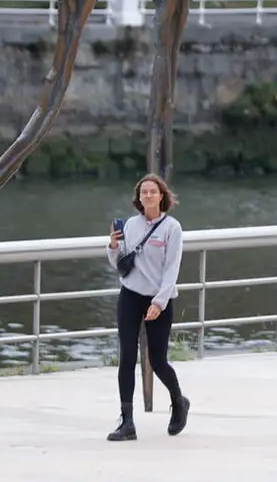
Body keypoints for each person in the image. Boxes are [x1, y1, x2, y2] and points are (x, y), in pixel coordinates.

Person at [104, 174, 188, 441]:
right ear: (138, 198)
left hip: (158, 299)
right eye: (144, 192)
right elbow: (120, 262)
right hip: (130, 294)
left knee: (158, 359)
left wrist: (159, 302)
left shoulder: (172, 228)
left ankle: (179, 401)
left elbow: (171, 268)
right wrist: (113, 245)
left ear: (162, 196)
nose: (148, 196)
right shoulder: (130, 224)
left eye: (153, 191)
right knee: (127, 357)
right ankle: (127, 421)